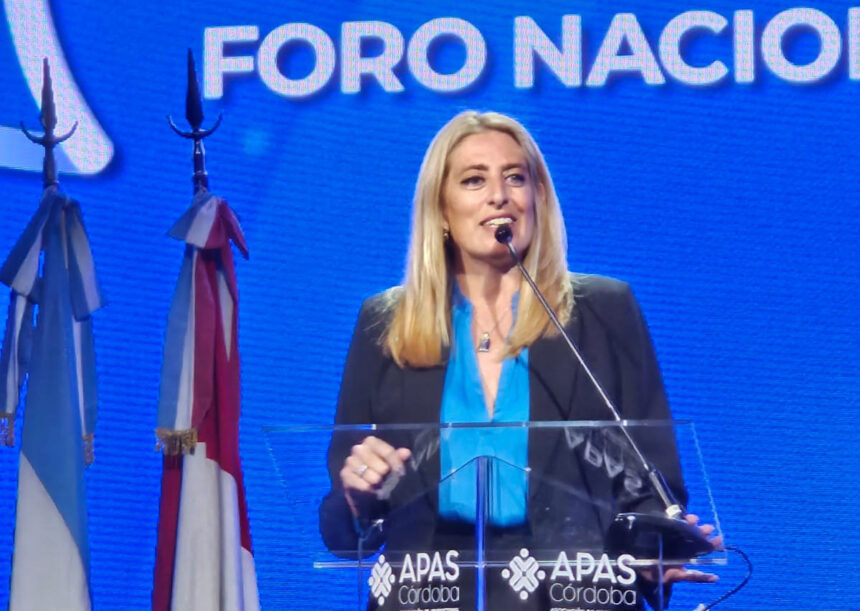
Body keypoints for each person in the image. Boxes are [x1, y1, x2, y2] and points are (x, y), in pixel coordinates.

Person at [319, 110, 720, 609]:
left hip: (575, 592)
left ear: (538, 197)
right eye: (474, 180)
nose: (499, 196)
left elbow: (649, 478)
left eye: (515, 178)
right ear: (440, 210)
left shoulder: (604, 311)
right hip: (428, 591)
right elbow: (343, 525)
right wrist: (357, 497)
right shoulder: (386, 323)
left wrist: (654, 545)